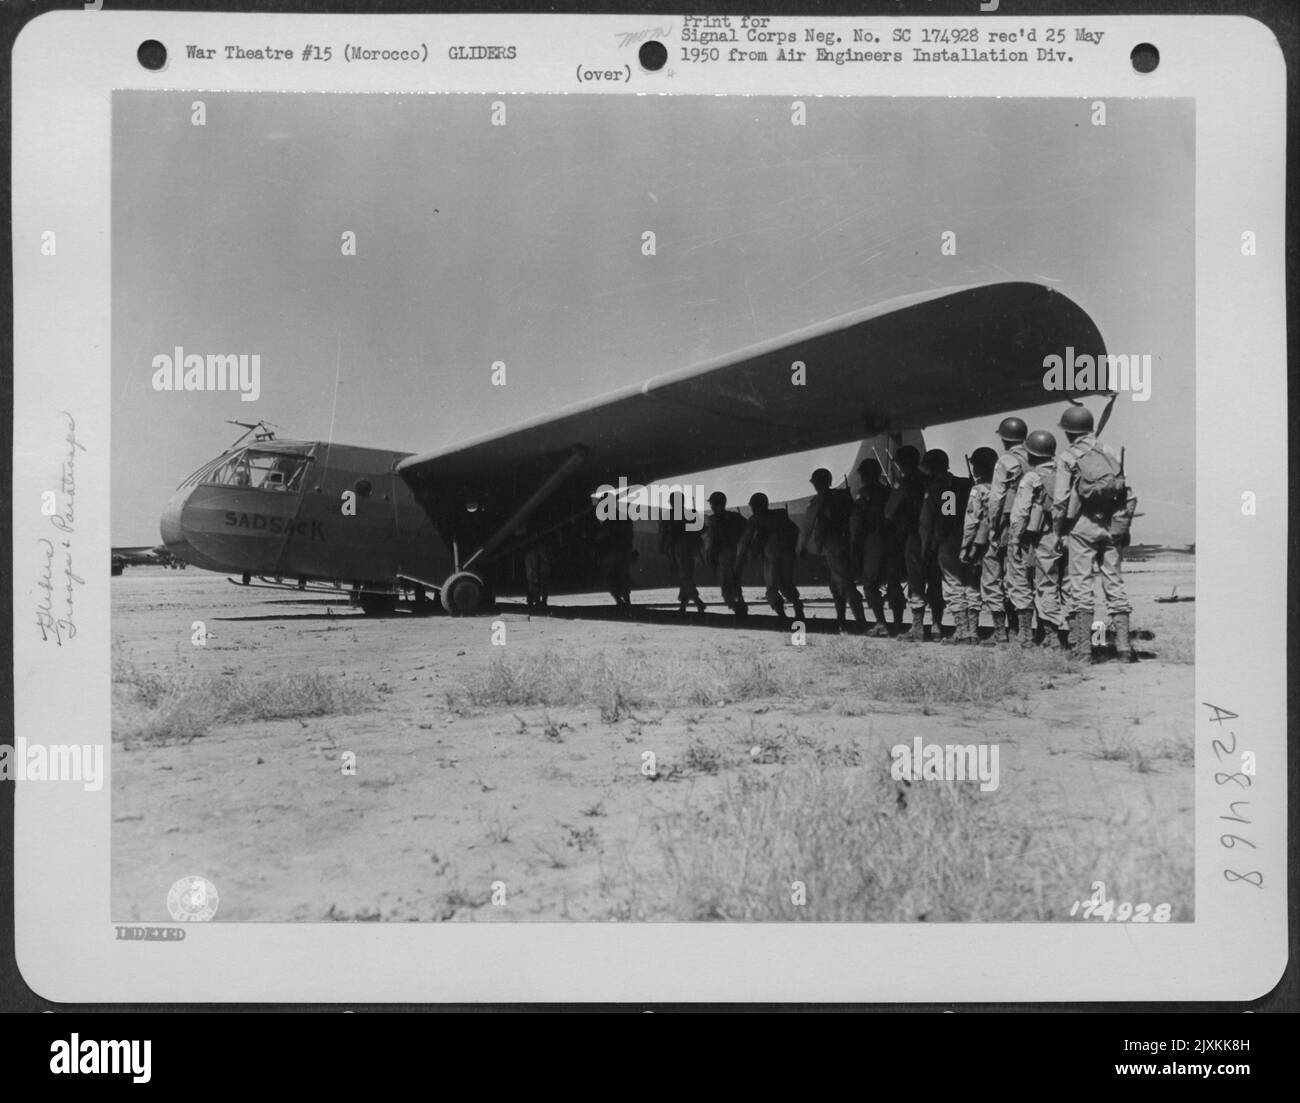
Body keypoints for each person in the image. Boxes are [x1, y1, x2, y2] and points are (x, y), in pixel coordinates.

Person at [1051, 405, 1138, 662]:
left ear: (1068, 432)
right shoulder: (1109, 451)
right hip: (1111, 526)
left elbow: (1060, 500)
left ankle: (1084, 652)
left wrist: (1058, 531)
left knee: (1080, 586)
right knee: (1114, 583)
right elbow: (1124, 489)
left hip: (1082, 528)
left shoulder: (1067, 457)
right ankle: (1124, 649)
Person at [1008, 430, 1068, 648]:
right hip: (1063, 537)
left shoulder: (1032, 478)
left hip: (1037, 539)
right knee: (1058, 585)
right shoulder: (1065, 474)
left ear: (1032, 454)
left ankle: (1039, 638)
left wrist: (1014, 540)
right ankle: (1061, 636)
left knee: (1030, 585)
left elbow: (1021, 513)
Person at [982, 416, 1031, 644]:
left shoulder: (1006, 461)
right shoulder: (1036, 457)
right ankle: (1025, 632)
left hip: (1009, 524)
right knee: (1024, 577)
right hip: (1035, 526)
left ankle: (1003, 633)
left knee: (996, 576)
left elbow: (996, 498)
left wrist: (992, 528)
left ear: (1004, 438)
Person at [802, 468, 866, 633]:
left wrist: (802, 545)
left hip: (832, 546)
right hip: (845, 544)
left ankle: (860, 621)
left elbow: (808, 525)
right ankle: (842, 621)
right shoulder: (842, 497)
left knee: (844, 583)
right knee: (836, 584)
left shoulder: (819, 500)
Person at [919, 449, 972, 644]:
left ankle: (962, 630)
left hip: (947, 541)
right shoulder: (960, 484)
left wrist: (932, 542)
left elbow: (945, 516)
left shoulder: (944, 487)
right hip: (964, 539)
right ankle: (969, 630)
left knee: (952, 584)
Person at [852, 458, 904, 636]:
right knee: (894, 582)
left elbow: (858, 522)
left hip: (873, 540)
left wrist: (855, 544)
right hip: (893, 541)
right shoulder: (889, 491)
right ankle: (898, 623)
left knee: (870, 583)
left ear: (865, 475)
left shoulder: (864, 493)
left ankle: (881, 623)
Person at [884, 446, 928, 641]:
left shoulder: (903, 483)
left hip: (913, 536)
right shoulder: (929, 481)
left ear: (900, 463)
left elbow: (889, 512)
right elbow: (947, 511)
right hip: (932, 536)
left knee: (916, 580)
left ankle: (917, 627)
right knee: (935, 580)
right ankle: (935, 625)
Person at [737, 493, 804, 621]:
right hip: (787, 554)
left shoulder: (755, 519)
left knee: (771, 588)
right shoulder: (781, 517)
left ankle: (782, 616)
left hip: (771, 555)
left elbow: (744, 542)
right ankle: (798, 608)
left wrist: (739, 560)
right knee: (786, 584)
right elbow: (795, 531)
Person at [959, 447, 999, 645]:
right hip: (1000, 542)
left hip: (979, 545)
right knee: (999, 586)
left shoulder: (977, 489)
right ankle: (1004, 632)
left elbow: (971, 521)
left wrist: (965, 547)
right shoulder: (1003, 487)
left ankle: (970, 632)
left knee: (972, 584)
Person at [659, 491, 706, 615]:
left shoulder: (670, 514)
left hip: (679, 548)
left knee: (684, 576)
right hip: (690, 548)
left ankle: (697, 601)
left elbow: (664, 532)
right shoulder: (689, 513)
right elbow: (702, 529)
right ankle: (684, 605)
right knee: (685, 575)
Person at [704, 491, 749, 616]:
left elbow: (710, 541)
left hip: (724, 555)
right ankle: (740, 604)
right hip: (737, 555)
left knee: (726, 584)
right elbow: (747, 530)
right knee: (736, 582)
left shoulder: (712, 520)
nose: (711, 506)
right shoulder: (735, 517)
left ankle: (735, 606)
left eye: (712, 503)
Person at [594, 517, 635, 612]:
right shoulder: (622, 519)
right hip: (620, 551)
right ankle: (625, 600)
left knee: (614, 576)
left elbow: (603, 535)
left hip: (614, 552)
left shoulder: (611, 521)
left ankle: (621, 600)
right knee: (621, 575)